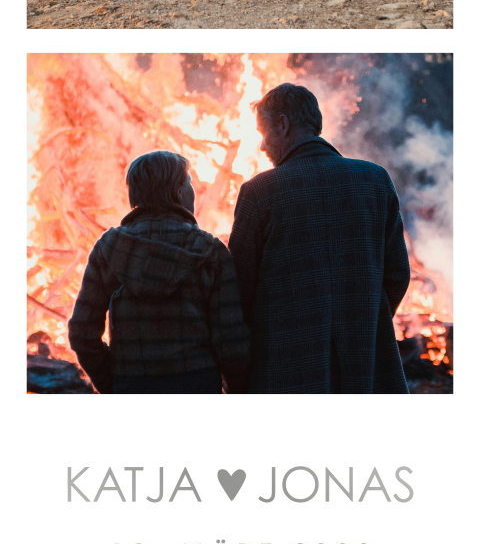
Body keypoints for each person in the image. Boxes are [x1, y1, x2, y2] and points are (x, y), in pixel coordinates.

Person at [228, 83, 410, 395]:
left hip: (286, 366)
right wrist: (363, 319)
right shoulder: (376, 180)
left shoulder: (259, 192)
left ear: (283, 125)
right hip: (364, 362)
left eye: (262, 132)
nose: (261, 146)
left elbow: (239, 288)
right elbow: (397, 274)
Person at [68, 150, 251, 394]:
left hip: (131, 386)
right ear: (177, 192)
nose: (193, 190)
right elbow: (231, 341)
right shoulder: (211, 252)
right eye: (189, 182)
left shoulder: (108, 248)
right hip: (198, 386)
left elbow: (82, 333)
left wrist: (112, 384)